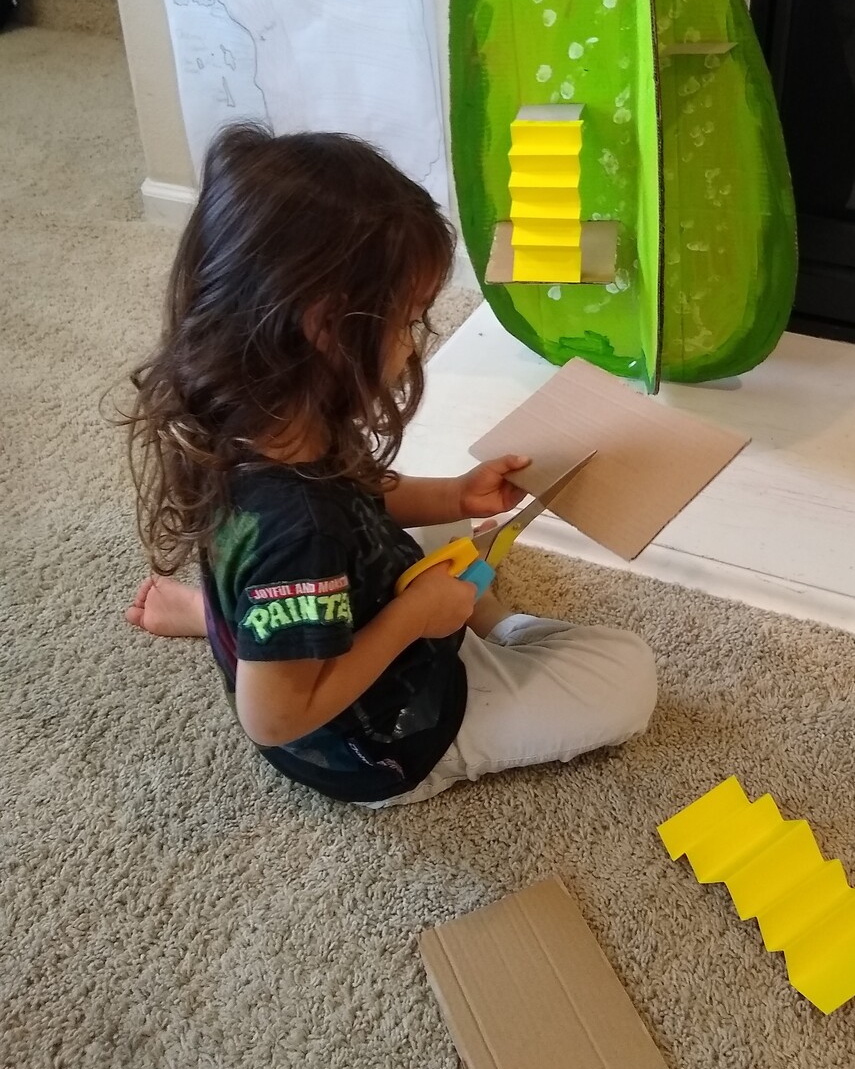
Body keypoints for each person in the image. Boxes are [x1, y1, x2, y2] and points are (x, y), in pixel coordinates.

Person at [124, 123, 656, 805]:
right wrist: (415, 616)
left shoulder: (258, 416)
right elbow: (274, 719)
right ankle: (497, 626)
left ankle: (233, 625)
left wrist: (455, 496)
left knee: (433, 536)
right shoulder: (299, 529)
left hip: (331, 615)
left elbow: (357, 496)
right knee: (626, 674)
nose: (413, 342)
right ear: (327, 326)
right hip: (379, 739)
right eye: (406, 321)